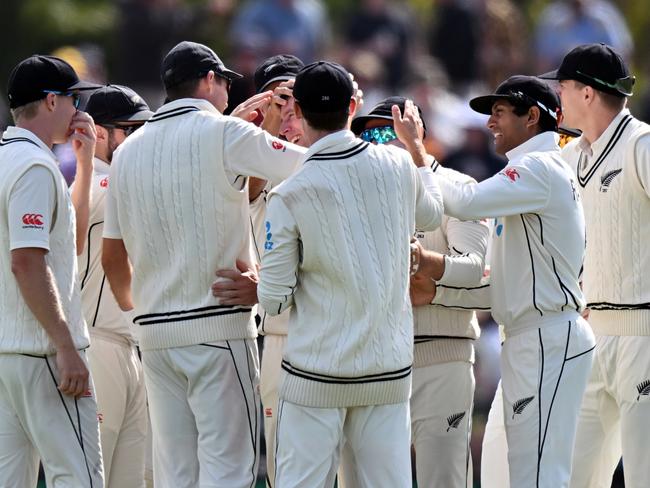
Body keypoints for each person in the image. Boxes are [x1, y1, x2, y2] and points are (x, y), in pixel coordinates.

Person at [101, 41, 306, 488]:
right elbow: (312, 166)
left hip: (153, 332)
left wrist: (140, 309)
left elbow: (112, 255)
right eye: (226, 83)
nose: (230, 93)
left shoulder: (129, 151)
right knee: (230, 469)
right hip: (216, 325)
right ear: (210, 80)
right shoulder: (225, 133)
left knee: (177, 473)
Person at [255, 60, 443, 487]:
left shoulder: (290, 192)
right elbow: (431, 214)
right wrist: (416, 150)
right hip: (387, 372)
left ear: (296, 112)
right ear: (353, 106)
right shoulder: (398, 167)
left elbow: (273, 298)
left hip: (315, 376)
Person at [409, 75, 595, 488]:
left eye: (499, 112)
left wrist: (417, 154)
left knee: (539, 477)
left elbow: (464, 200)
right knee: (499, 471)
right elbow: (496, 281)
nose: (490, 123)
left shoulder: (538, 168)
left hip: (545, 337)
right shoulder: (526, 176)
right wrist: (438, 287)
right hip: (529, 338)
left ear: (532, 117)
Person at [350, 97, 489, 488]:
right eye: (369, 134)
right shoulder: (358, 197)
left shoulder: (458, 187)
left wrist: (431, 279)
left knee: (442, 481)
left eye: (388, 131)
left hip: (441, 359)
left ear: (417, 132)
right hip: (373, 363)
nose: (378, 142)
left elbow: (480, 273)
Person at [541, 43, 650, 488]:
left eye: (563, 87)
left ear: (586, 93)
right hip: (591, 336)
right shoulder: (569, 158)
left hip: (643, 336)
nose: (558, 98)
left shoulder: (641, 145)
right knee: (572, 477)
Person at [0, 54, 104, 487]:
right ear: (49, 102)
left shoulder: (15, 158)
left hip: (8, 356)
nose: (79, 111)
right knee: (80, 478)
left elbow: (70, 242)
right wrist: (64, 345)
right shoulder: (35, 167)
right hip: (43, 352)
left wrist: (85, 164)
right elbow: (26, 262)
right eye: (72, 99)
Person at [76, 84, 153, 488]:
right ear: (101, 134)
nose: (139, 139)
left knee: (131, 479)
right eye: (130, 129)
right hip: (98, 343)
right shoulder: (96, 185)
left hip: (130, 347)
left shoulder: (120, 181)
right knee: (93, 476)